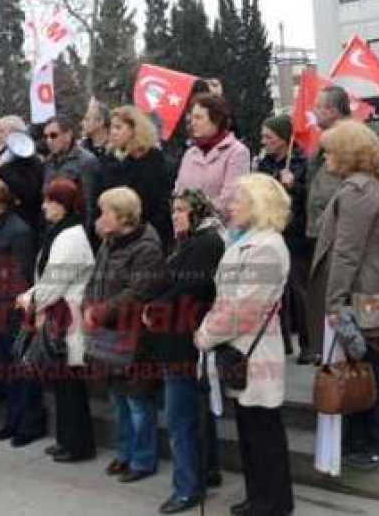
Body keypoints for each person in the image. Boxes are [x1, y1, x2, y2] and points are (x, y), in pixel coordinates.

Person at [313, 121, 379, 469]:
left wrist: (333, 302)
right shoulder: (367, 186)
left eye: (330, 149)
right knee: (363, 363)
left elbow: (347, 252)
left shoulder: (356, 191)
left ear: (347, 152)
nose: (325, 155)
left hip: (359, 293)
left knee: (368, 365)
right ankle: (363, 440)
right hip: (367, 289)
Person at [195, 173, 293, 516]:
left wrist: (206, 333)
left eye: (238, 199)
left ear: (257, 205)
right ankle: (258, 497)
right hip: (239, 349)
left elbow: (246, 308)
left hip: (254, 348)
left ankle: (274, 503)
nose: (230, 206)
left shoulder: (267, 246)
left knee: (264, 433)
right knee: (250, 432)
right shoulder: (245, 241)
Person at [145, 189, 225, 514]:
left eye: (180, 210)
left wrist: (155, 306)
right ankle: (207, 471)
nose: (174, 215)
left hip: (186, 339)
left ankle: (187, 488)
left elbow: (192, 288)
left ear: (196, 212)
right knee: (194, 413)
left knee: (180, 418)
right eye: (173, 209)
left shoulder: (206, 243)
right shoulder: (187, 241)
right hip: (177, 337)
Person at [84, 187, 167, 485]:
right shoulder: (109, 241)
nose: (100, 217)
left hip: (135, 338)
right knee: (118, 398)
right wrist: (88, 305)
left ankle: (142, 460)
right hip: (109, 335)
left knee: (137, 401)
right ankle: (125, 453)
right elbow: (96, 278)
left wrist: (100, 311)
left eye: (104, 211)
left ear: (122, 216)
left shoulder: (147, 247)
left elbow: (138, 293)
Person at [15, 178, 97, 463]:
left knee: (70, 385)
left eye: (50, 201)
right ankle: (66, 440)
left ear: (63, 205)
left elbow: (54, 283)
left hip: (67, 319)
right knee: (63, 385)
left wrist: (30, 301)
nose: (44, 206)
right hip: (60, 315)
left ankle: (77, 445)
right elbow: (47, 278)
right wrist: (30, 295)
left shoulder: (68, 237)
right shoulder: (60, 233)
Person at [0, 177, 44, 446]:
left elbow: (21, 275)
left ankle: (29, 423)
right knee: (5, 368)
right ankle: (12, 420)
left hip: (11, 310)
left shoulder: (18, 231)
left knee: (21, 370)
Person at [254, 115, 312, 362]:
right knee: (275, 290)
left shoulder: (301, 162)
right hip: (270, 231)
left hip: (295, 233)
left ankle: (309, 344)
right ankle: (282, 341)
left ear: (284, 139)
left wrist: (294, 185)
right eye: (263, 136)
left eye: (270, 137)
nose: (264, 141)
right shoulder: (263, 163)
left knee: (299, 289)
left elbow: (308, 199)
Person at [302, 85, 353, 364]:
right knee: (321, 295)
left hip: (336, 233)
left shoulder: (348, 140)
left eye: (319, 107)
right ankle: (328, 351)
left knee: (336, 298)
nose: (313, 112)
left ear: (333, 110)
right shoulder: (324, 139)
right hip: (319, 230)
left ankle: (342, 354)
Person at [99, 106, 174, 250]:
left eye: (118, 127)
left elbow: (154, 202)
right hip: (114, 235)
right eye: (112, 128)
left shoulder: (151, 158)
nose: (113, 132)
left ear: (134, 129)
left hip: (145, 236)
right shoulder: (109, 159)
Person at [173, 93, 251, 221]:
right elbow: (179, 192)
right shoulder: (190, 154)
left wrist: (195, 214)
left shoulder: (237, 152)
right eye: (191, 118)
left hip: (222, 233)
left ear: (216, 120)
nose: (193, 123)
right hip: (189, 233)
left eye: (198, 118)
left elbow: (230, 200)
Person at [42, 115, 100, 229]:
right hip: (51, 226)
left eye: (54, 135)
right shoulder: (48, 162)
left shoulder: (85, 161)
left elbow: (89, 205)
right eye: (46, 136)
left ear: (68, 135)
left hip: (73, 228)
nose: (49, 140)